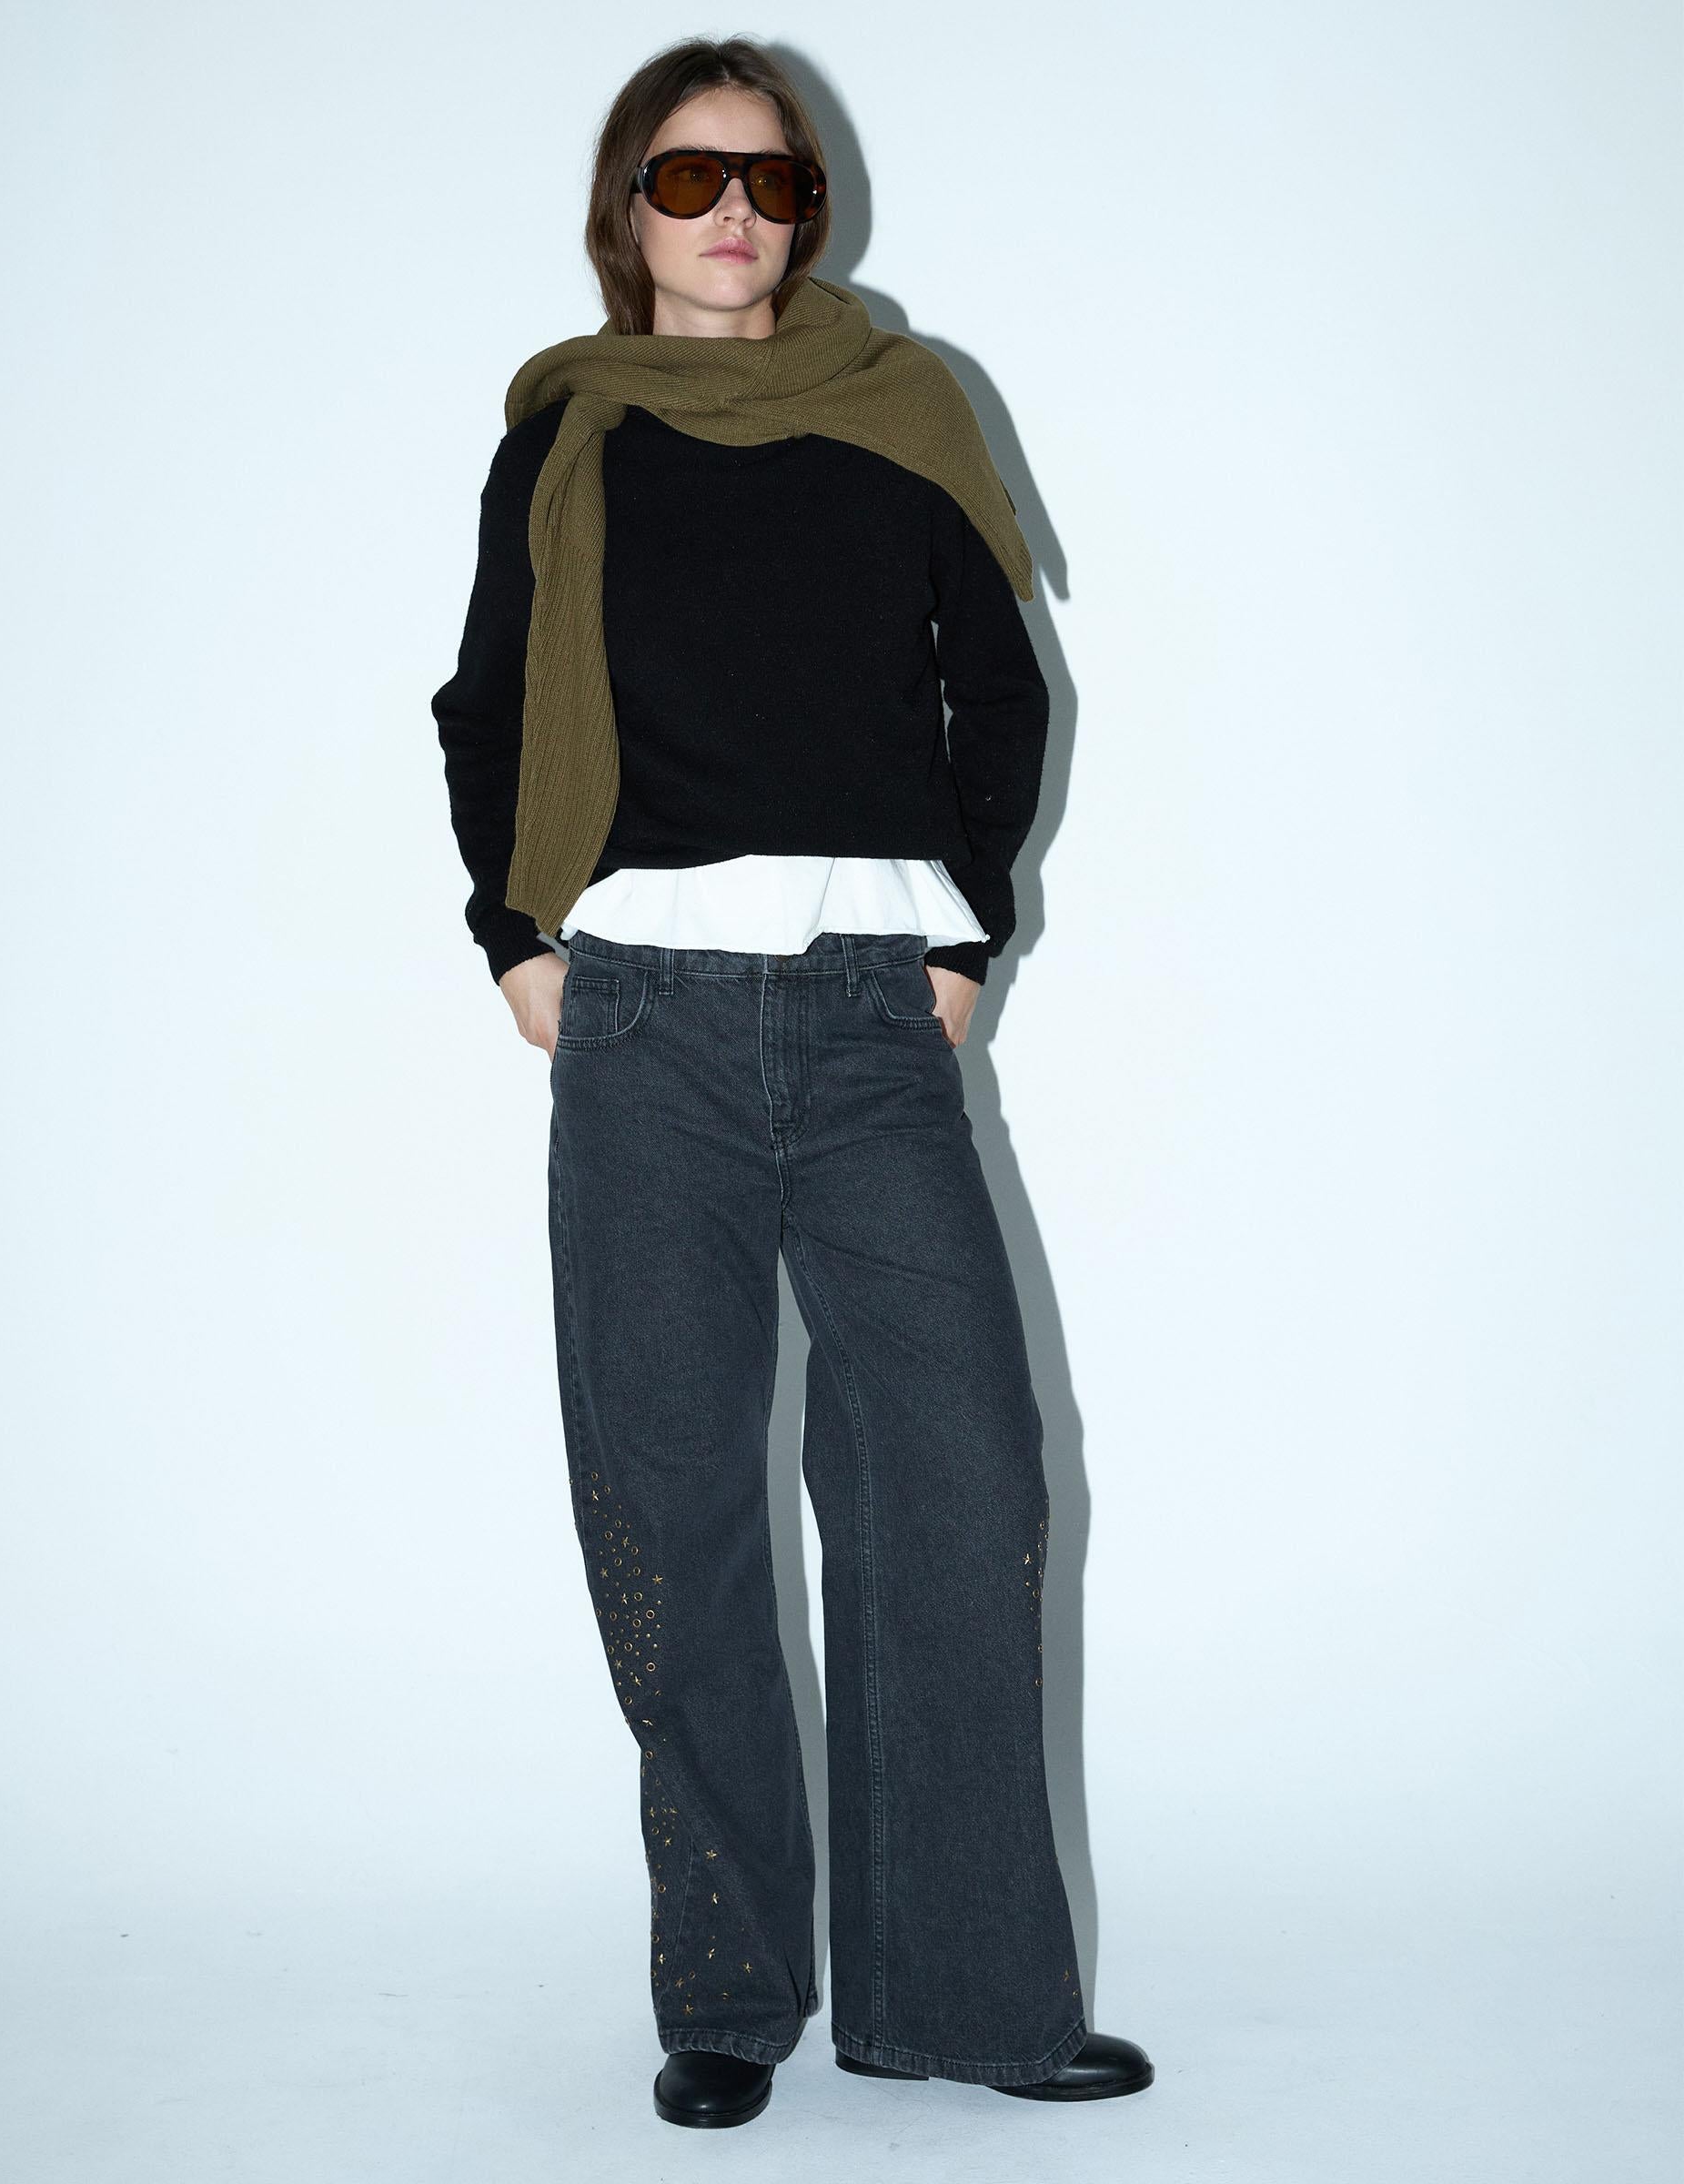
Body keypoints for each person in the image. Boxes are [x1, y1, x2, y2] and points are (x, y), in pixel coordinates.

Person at [431, 35, 1154, 2132]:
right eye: (690, 179)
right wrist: (516, 938)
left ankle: (970, 1999)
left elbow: (1000, 689)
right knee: (673, 1506)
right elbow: (488, 702)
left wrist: (963, 939)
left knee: (965, 1478)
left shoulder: (906, 415)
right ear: (626, 207)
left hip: (864, 1018)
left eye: (774, 181)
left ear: (811, 209)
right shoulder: (566, 438)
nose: (735, 213)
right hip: (642, 1019)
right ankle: (731, 1998)